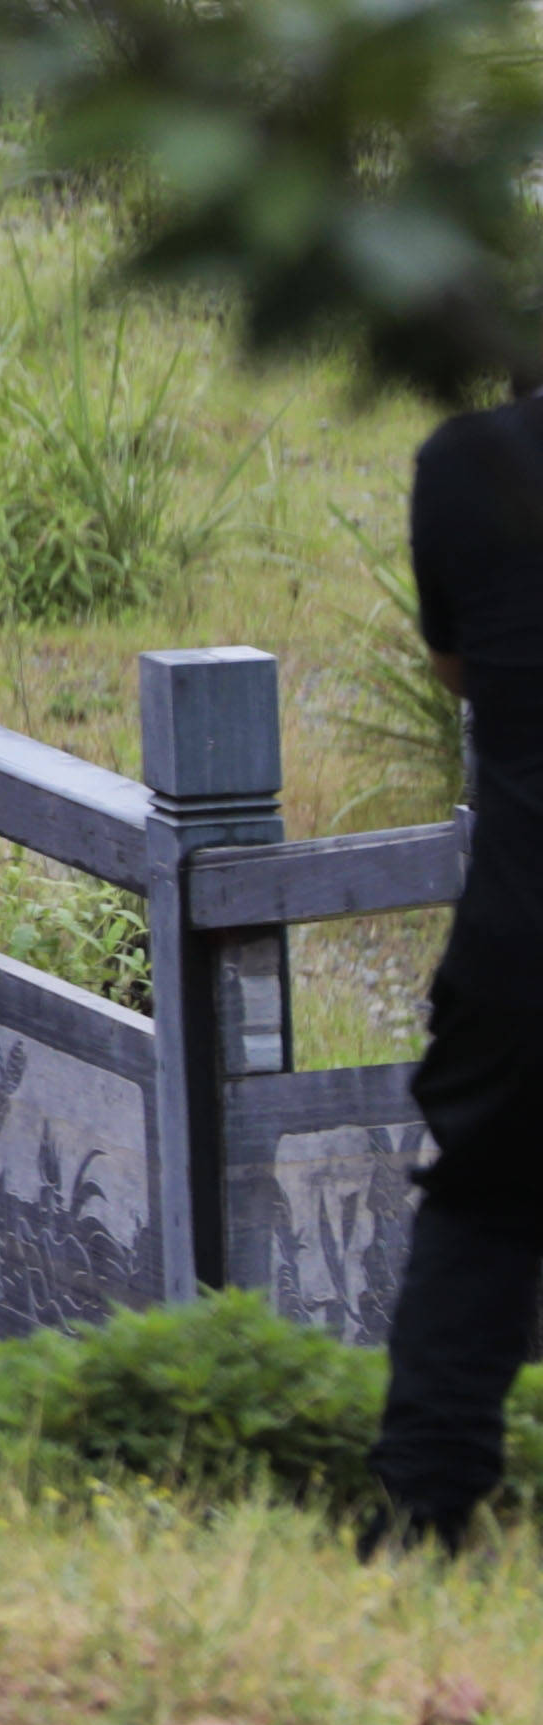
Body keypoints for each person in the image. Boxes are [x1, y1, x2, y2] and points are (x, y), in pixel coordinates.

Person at [379, 392, 543, 1540]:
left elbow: (457, 664)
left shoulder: (472, 460)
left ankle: (421, 1522)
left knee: (481, 1213)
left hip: (520, 939)